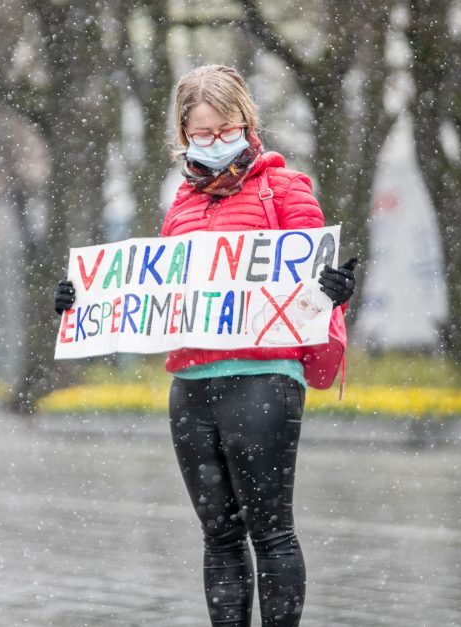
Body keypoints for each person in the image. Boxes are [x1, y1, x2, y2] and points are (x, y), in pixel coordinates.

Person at [54, 65, 356, 626]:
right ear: (183, 135)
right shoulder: (182, 205)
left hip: (264, 381)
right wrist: (82, 300)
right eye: (201, 134)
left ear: (247, 123)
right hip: (191, 387)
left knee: (270, 531)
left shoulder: (287, 188)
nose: (215, 143)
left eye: (226, 130)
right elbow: (156, 292)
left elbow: (312, 285)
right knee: (218, 534)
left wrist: (332, 290)